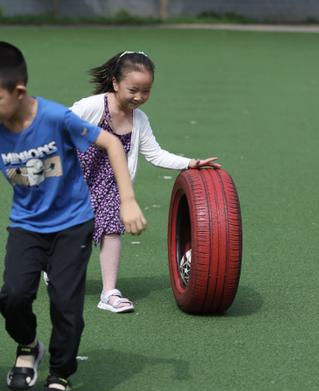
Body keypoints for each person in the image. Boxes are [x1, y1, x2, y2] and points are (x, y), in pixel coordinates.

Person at [0, 41, 147, 391]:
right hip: (26, 226)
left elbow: (112, 145)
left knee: (65, 305)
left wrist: (128, 201)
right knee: (13, 296)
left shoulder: (56, 118)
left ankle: (60, 375)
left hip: (73, 223)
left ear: (18, 91)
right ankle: (28, 346)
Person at [70, 50, 220, 313]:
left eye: (146, 91)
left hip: (113, 185)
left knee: (112, 228)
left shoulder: (139, 119)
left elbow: (155, 154)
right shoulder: (91, 106)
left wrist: (190, 163)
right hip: (76, 179)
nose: (139, 97)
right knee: (71, 236)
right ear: (115, 83)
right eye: (133, 89)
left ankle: (109, 292)